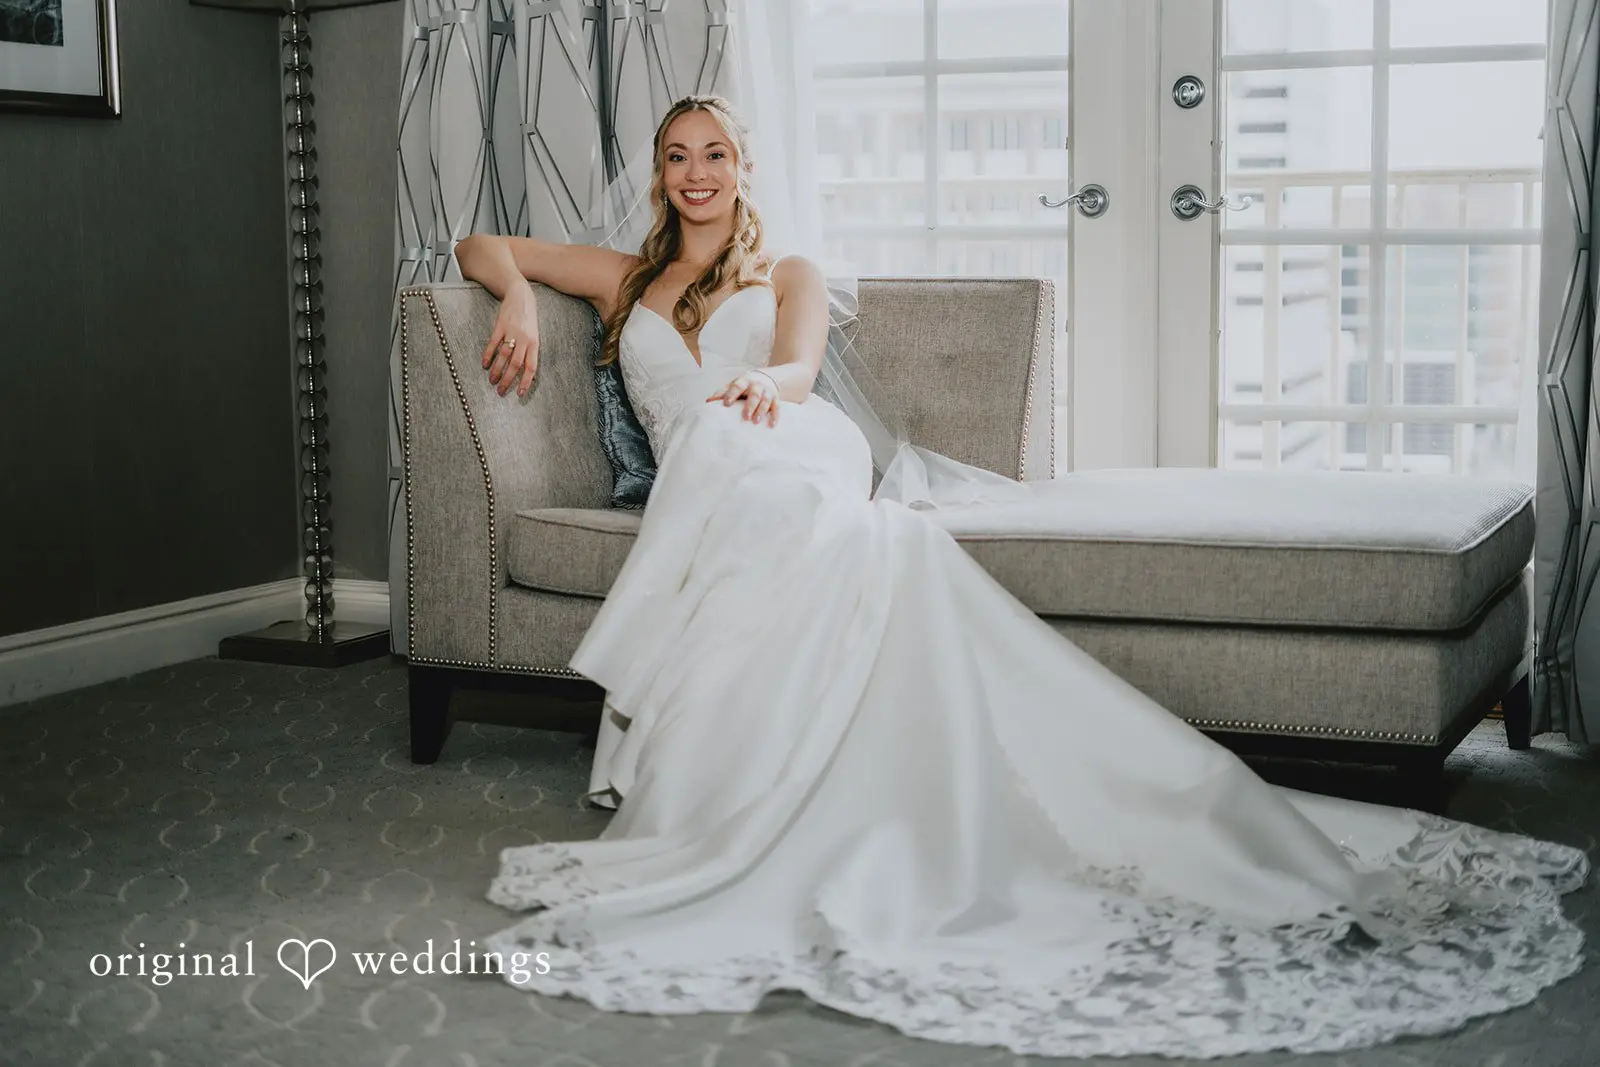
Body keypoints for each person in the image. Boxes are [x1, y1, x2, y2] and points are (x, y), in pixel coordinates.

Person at [451, 95, 1587, 1060]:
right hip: (710, 459)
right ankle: (751, 776)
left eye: (717, 153)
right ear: (657, 173)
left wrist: (766, 394)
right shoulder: (618, 277)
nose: (696, 173)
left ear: (744, 169)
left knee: (761, 468)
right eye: (677, 155)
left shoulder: (785, 267)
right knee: (721, 459)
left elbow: (796, 366)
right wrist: (511, 295)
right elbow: (477, 244)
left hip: (787, 440)